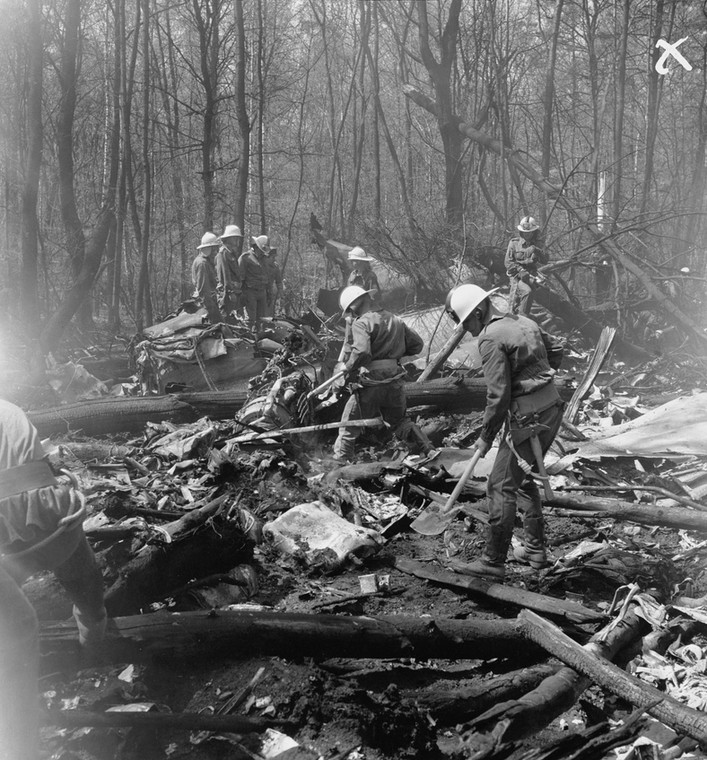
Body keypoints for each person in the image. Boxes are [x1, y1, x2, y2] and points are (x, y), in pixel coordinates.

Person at [0, 399, 107, 760]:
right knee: (17, 627)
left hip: (36, 509)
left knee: (21, 624)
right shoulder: (8, 410)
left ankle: (94, 632)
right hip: (43, 514)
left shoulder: (7, 412)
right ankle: (18, 745)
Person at [444, 283, 564, 582]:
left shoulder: (489, 338)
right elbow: (557, 350)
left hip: (528, 419)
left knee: (499, 486)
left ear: (479, 311)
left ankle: (493, 562)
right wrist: (536, 383)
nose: (468, 331)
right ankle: (535, 551)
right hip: (551, 407)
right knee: (523, 479)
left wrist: (486, 435)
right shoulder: (525, 321)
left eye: (467, 322)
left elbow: (498, 395)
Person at [332, 286, 432, 462]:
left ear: (355, 305)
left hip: (372, 382)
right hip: (395, 380)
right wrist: (393, 352)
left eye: (350, 310)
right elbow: (417, 345)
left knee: (349, 424)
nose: (351, 314)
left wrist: (347, 367)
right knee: (400, 421)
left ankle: (339, 464)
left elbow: (362, 352)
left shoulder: (361, 322)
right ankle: (428, 449)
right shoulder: (396, 319)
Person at [505, 216, 547, 316]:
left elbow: (545, 260)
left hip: (532, 274)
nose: (527, 234)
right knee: (527, 291)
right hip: (516, 275)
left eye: (529, 232)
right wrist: (520, 271)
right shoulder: (514, 243)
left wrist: (537, 250)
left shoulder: (539, 244)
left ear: (534, 232)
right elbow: (508, 263)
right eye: (524, 232)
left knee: (546, 291)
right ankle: (522, 317)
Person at [238, 235, 270, 332]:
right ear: (256, 247)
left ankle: (259, 338)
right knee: (249, 319)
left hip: (262, 292)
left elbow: (267, 275)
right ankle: (247, 337)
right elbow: (240, 277)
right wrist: (241, 294)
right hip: (250, 292)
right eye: (261, 249)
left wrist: (268, 292)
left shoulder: (264, 259)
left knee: (262, 319)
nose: (262, 252)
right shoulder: (245, 258)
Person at [191, 232, 222, 324]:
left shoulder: (206, 262)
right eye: (214, 249)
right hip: (206, 306)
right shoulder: (202, 264)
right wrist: (213, 312)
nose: (216, 252)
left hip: (209, 302)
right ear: (208, 249)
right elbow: (204, 291)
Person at [216, 224, 244, 321]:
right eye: (235, 238)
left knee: (235, 320)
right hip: (227, 295)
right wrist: (230, 292)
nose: (237, 240)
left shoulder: (231, 253)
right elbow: (224, 275)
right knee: (226, 319)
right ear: (229, 239)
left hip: (235, 292)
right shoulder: (223, 253)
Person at [264, 247, 283, 318]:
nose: (274, 259)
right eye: (272, 257)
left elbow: (279, 281)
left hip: (269, 293)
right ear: (267, 257)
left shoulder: (275, 266)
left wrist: (281, 294)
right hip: (259, 291)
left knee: (269, 315)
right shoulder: (260, 264)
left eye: (275, 257)